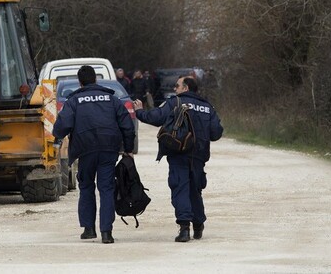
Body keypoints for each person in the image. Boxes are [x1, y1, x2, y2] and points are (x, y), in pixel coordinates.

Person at [133, 76, 223, 242]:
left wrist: (139, 112)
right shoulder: (207, 107)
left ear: (186, 88)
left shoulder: (175, 102)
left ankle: (184, 229)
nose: (175, 89)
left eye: (177, 86)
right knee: (195, 190)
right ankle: (198, 225)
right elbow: (216, 133)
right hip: (199, 155)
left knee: (180, 187)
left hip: (179, 152)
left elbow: (156, 117)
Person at [53, 65, 135, 244]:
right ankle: (107, 232)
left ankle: (89, 229)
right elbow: (127, 125)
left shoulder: (74, 100)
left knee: (87, 186)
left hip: (85, 149)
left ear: (80, 82)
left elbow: (62, 124)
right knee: (106, 188)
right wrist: (128, 149)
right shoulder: (112, 99)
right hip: (108, 149)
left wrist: (57, 136)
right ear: (95, 80)